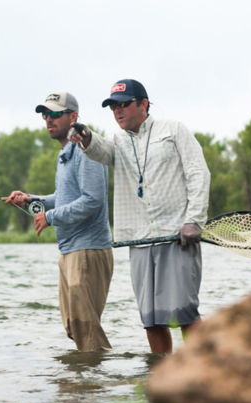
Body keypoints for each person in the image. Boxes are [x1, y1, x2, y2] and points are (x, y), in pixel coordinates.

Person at [71, 79, 210, 354]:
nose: (118, 111)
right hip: (138, 240)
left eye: (124, 104)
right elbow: (103, 151)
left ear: (143, 104)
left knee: (185, 313)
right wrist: (86, 137)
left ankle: (205, 371)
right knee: (152, 320)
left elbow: (199, 173)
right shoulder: (118, 139)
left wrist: (194, 220)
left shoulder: (174, 130)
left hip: (177, 236)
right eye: (113, 107)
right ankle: (162, 377)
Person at [4, 91, 113, 352]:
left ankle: (95, 386)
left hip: (88, 250)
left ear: (74, 116)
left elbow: (92, 200)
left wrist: (49, 217)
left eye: (54, 114)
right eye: (45, 115)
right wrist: (31, 200)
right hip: (70, 251)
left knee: (87, 331)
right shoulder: (65, 154)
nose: (48, 120)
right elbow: (64, 198)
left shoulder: (86, 150)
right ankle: (84, 387)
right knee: (75, 328)